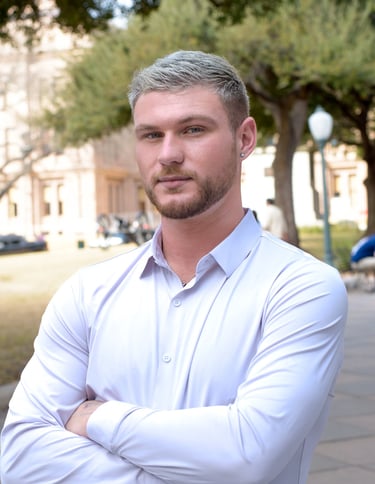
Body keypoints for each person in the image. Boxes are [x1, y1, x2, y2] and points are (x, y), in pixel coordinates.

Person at [1, 50, 347, 484]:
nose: (168, 154)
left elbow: (247, 456)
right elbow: (19, 456)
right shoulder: (87, 292)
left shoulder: (301, 288)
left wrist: (98, 418)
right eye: (150, 135)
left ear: (244, 139)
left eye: (193, 129)